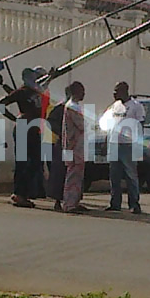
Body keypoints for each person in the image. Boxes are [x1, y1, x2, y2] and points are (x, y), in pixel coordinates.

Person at [0, 67, 48, 208]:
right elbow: (1, 104)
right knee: (24, 163)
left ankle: (22, 193)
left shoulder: (37, 91)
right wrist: (14, 118)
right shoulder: (23, 91)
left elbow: (46, 83)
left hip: (34, 130)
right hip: (24, 129)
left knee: (35, 162)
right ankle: (19, 194)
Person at [106, 81, 145, 215]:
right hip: (114, 143)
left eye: (117, 91)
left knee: (131, 175)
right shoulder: (114, 106)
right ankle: (115, 203)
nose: (114, 94)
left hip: (128, 145)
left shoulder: (135, 106)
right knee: (114, 175)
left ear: (125, 91)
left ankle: (134, 204)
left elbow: (140, 125)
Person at [62, 82, 87, 213]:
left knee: (77, 176)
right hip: (73, 147)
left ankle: (74, 201)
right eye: (81, 91)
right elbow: (82, 126)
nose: (84, 93)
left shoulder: (75, 106)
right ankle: (69, 204)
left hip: (75, 147)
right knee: (73, 176)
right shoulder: (72, 107)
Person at [46, 86, 71, 212]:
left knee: (71, 172)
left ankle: (72, 200)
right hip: (62, 144)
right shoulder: (61, 108)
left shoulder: (76, 108)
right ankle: (57, 200)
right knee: (59, 172)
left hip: (73, 145)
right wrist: (62, 132)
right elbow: (50, 122)